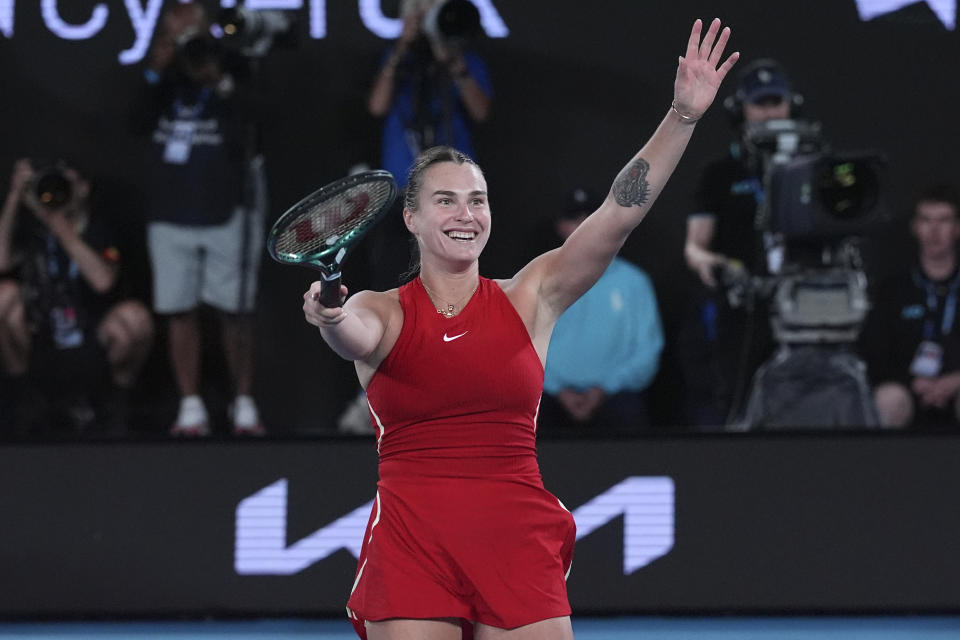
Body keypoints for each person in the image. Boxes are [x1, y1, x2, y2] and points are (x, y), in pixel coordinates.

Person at [301, 19, 737, 639]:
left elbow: (619, 212)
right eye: (446, 200)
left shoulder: (532, 294)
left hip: (514, 534)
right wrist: (332, 314)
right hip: (413, 538)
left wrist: (683, 116)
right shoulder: (382, 308)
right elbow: (352, 334)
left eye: (476, 200)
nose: (465, 214)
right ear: (412, 217)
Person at [131, 1, 266, 436]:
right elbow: (134, 122)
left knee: (235, 311)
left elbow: (256, 123)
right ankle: (190, 407)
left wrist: (219, 80)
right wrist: (158, 65)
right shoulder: (161, 75)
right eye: (178, 21)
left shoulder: (234, 64)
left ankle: (243, 403)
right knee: (178, 310)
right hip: (171, 208)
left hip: (226, 204)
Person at [680, 58, 800, 427]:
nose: (768, 113)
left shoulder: (809, 166)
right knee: (732, 398)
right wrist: (709, 264)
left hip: (799, 301)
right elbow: (695, 246)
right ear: (740, 111)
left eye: (775, 102)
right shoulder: (719, 174)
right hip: (741, 302)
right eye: (759, 104)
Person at [0, 159, 154, 435]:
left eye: (65, 185)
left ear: (82, 189)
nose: (56, 194)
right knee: (4, 296)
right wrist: (14, 197)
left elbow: (103, 281)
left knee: (136, 319)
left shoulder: (100, 226)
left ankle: (118, 403)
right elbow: (1, 263)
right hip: (41, 338)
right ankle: (22, 398)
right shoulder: (32, 228)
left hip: (93, 339)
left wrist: (59, 227)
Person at [538, 186, 664, 432]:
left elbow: (648, 352)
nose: (583, 226)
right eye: (573, 219)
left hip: (617, 397)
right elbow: (520, 349)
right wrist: (556, 389)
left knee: (629, 415)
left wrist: (605, 388)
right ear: (560, 227)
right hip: (550, 398)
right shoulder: (538, 280)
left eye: (591, 218)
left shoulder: (634, 282)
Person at [858, 184, 960, 429]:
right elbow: (875, 354)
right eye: (926, 220)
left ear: (957, 228)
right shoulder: (894, 291)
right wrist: (912, 381)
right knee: (888, 400)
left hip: (957, 386)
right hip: (908, 387)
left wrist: (955, 381)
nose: (934, 231)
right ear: (915, 227)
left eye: (943, 221)